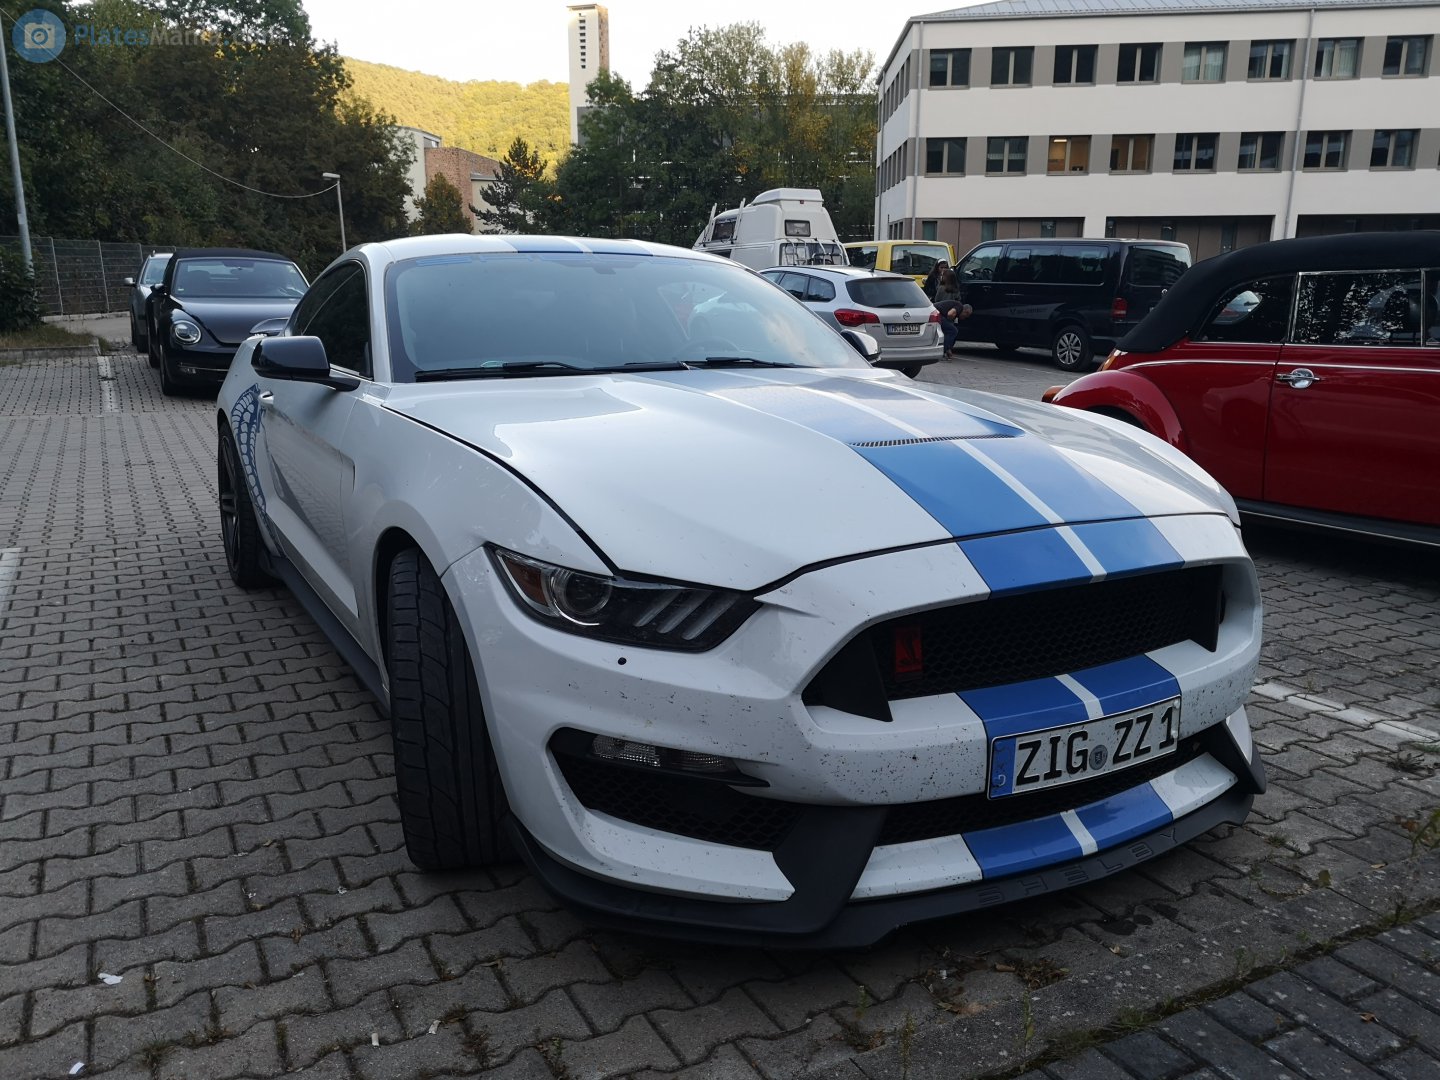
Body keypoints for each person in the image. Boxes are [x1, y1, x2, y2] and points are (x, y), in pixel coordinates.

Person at [932, 268, 971, 359]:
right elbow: (950, 313)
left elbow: (937, 299)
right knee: (952, 331)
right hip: (944, 313)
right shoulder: (956, 291)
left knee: (948, 331)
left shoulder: (941, 288)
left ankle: (945, 349)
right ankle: (945, 350)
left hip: (938, 311)